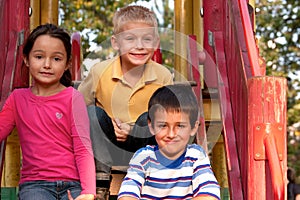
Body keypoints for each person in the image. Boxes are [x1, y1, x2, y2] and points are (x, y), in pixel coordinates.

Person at [78, 5, 173, 198]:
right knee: (91, 113)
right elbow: (76, 108)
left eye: (146, 39)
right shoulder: (99, 71)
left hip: (144, 147)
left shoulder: (162, 75)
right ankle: (101, 183)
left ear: (155, 43)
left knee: (151, 117)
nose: (139, 46)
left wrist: (135, 130)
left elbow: (170, 119)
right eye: (130, 39)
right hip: (105, 148)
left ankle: (148, 175)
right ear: (115, 43)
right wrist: (105, 122)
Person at [0, 23, 95, 200]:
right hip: (35, 185)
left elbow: (82, 147)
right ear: (27, 59)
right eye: (39, 56)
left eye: (56, 59)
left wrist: (88, 192)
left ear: (67, 64)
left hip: (72, 183)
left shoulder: (73, 98)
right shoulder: (17, 98)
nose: (47, 64)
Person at [118, 84, 220, 200]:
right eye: (163, 126)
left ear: (193, 128)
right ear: (151, 127)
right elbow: (126, 196)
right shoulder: (143, 157)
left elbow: (209, 196)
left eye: (180, 126)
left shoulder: (196, 156)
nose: (171, 134)